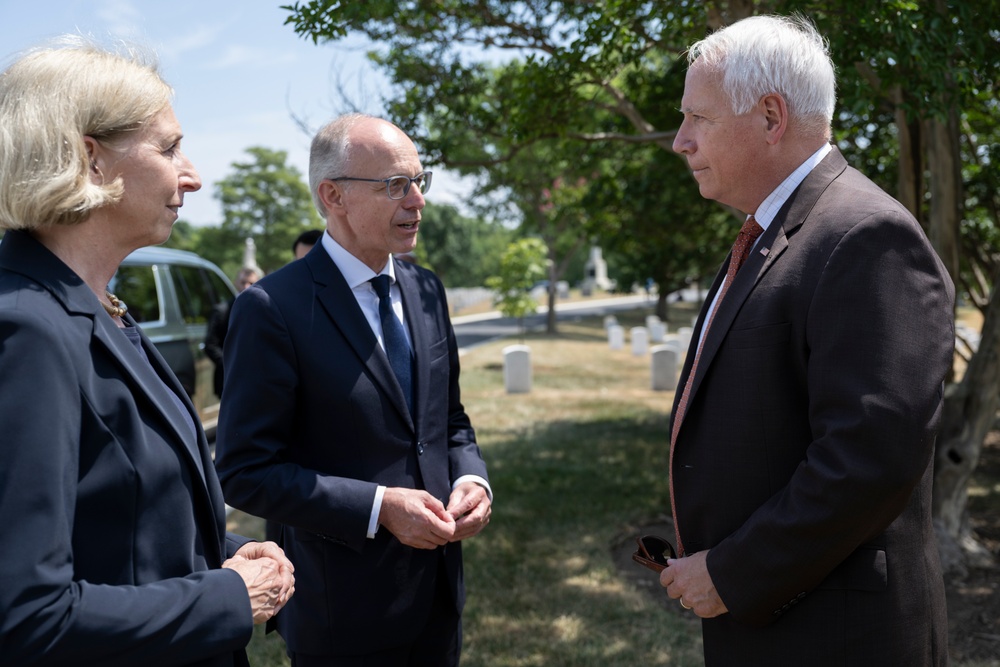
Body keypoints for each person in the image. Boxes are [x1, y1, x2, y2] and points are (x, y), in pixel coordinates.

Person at [659, 14, 954, 666]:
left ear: (770, 117)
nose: (679, 141)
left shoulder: (866, 237)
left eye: (697, 119)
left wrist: (734, 570)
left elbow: (871, 458)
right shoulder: (776, 231)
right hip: (778, 618)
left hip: (834, 634)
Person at [0, 38, 294, 666]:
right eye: (169, 148)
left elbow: (116, 526)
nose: (192, 174)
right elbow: (27, 616)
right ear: (91, 161)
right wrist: (228, 598)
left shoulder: (99, 306)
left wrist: (225, 549)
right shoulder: (27, 332)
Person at [215, 113, 492, 666]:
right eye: (395, 185)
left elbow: (449, 420)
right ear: (333, 195)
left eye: (419, 180)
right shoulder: (272, 309)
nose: (417, 201)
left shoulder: (427, 288)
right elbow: (243, 470)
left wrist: (473, 478)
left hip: (438, 598)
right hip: (341, 609)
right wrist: (378, 506)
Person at [205, 266, 261, 397]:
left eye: (251, 283)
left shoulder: (266, 309)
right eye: (243, 282)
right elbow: (210, 345)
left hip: (258, 381)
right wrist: (232, 364)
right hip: (228, 380)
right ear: (236, 283)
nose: (247, 287)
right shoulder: (221, 311)